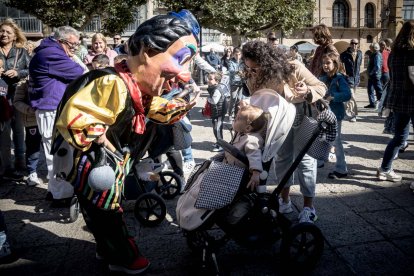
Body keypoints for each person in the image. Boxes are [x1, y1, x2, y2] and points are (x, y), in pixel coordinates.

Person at [53, 9, 200, 274]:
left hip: (109, 165)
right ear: (145, 50)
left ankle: (107, 248)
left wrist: (185, 103)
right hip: (94, 165)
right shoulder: (112, 82)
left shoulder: (134, 87)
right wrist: (108, 145)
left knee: (101, 211)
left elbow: (157, 111)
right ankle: (122, 256)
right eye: (181, 60)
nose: (184, 75)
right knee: (106, 211)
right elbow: (76, 119)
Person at [241, 40, 326, 223]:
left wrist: (307, 90)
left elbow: (321, 87)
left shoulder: (293, 67)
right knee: (282, 160)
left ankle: (308, 207)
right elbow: (256, 100)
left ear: (267, 62)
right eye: (250, 68)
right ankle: (284, 200)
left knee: (305, 161)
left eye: (256, 68)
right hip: (277, 123)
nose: (253, 72)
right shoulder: (253, 76)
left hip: (302, 117)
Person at [29, 26, 85, 206]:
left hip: (53, 108)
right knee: (57, 154)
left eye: (77, 45)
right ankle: (61, 195)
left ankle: (55, 190)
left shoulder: (51, 51)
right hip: (51, 109)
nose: (75, 48)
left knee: (57, 153)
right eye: (72, 44)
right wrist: (73, 58)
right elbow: (80, 72)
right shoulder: (51, 53)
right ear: (61, 41)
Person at [377, 20, 414, 183]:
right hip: (412, 98)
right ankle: (385, 169)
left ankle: (384, 169)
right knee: (400, 137)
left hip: (398, 99)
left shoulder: (394, 53)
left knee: (399, 137)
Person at [0, 18, 31, 180]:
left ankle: (21, 161)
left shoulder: (21, 51)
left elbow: (30, 69)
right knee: (3, 131)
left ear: (14, 36)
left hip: (17, 93)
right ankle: (6, 165)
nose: (4, 34)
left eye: (8, 32)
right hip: (0, 95)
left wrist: (17, 73)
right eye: (2, 31)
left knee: (18, 129)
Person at [319, 52, 351, 179]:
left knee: (336, 141)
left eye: (328, 63)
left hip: (336, 115)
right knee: (322, 138)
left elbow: (347, 95)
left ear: (335, 64)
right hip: (324, 114)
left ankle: (341, 169)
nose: (325, 65)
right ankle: (320, 160)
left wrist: (333, 97)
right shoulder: (322, 78)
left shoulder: (339, 78)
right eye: (323, 63)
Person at [224, 104, 268, 190]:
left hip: (237, 174)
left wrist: (256, 173)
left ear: (248, 128)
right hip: (230, 167)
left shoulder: (252, 140)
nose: (235, 119)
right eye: (236, 117)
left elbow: (255, 156)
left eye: (238, 118)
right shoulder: (241, 133)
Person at [13, 78, 42, 186]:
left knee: (50, 147)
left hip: (50, 119)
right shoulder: (23, 83)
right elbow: (17, 101)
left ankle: (53, 171)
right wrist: (29, 109)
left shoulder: (50, 78)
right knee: (33, 147)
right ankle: (32, 172)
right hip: (32, 121)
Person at [340, 38, 362, 122]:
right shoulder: (344, 54)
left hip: (356, 78)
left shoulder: (360, 53)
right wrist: (343, 73)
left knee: (350, 97)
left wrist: (358, 76)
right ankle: (353, 115)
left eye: (356, 43)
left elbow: (359, 66)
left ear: (358, 44)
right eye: (352, 43)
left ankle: (347, 112)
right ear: (350, 44)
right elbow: (340, 65)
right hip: (348, 78)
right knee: (352, 97)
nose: (354, 45)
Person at [207, 72, 228, 152]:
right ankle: (218, 142)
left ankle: (221, 145)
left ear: (217, 81)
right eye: (208, 78)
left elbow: (214, 101)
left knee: (217, 129)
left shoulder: (216, 89)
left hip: (219, 113)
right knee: (215, 128)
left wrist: (208, 99)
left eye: (210, 79)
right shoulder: (213, 87)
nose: (208, 80)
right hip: (216, 112)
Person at [228, 47, 245, 120]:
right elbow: (231, 71)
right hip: (234, 83)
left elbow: (245, 70)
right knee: (233, 99)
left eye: (239, 54)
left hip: (241, 82)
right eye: (236, 54)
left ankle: (236, 114)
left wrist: (244, 73)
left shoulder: (243, 62)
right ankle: (230, 114)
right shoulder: (231, 61)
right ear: (233, 55)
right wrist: (238, 72)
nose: (238, 56)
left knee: (239, 99)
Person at [365, 42, 383, 108]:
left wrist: (371, 73)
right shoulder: (374, 54)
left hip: (375, 76)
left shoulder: (377, 55)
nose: (370, 49)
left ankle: (381, 104)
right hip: (372, 76)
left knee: (378, 90)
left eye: (371, 48)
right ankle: (372, 103)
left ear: (374, 48)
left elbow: (377, 67)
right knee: (370, 90)